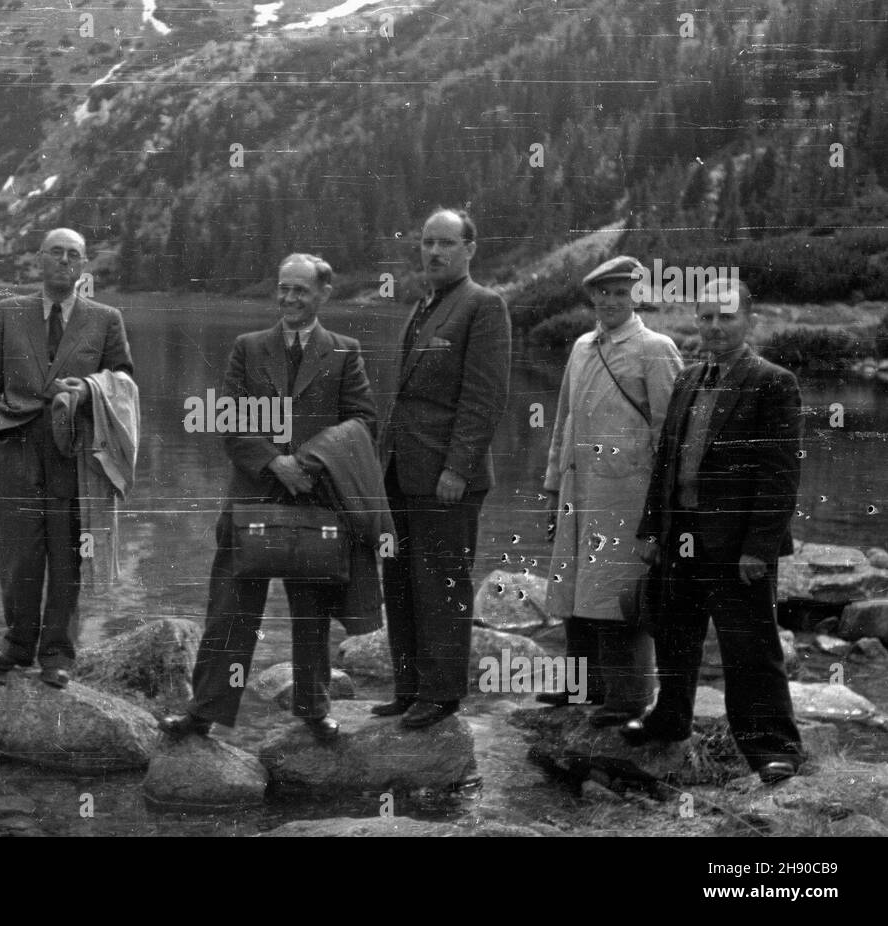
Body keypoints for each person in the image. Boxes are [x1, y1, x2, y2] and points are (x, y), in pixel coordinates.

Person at [159, 254, 380, 742]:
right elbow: (229, 421)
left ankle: (314, 708)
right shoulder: (248, 348)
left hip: (316, 498)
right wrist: (274, 462)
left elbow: (363, 421)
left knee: (312, 612)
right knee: (229, 611)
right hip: (252, 499)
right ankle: (204, 710)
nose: (289, 298)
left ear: (324, 293)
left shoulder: (345, 352)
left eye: (301, 290)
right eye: (283, 288)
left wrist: (312, 462)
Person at [622, 279, 804, 785]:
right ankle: (670, 717)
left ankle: (773, 747)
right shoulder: (688, 379)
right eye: (706, 317)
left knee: (750, 647)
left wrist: (759, 549)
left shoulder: (773, 382)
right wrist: (649, 530)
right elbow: (666, 462)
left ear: (749, 320)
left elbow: (780, 476)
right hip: (680, 533)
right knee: (673, 631)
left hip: (736, 545)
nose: (716, 327)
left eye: (726, 317)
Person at [0, 228, 133, 689]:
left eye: (74, 255)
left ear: (83, 266)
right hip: (17, 449)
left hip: (75, 454)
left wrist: (87, 390)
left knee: (67, 554)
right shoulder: (9, 312)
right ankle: (17, 644)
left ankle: (58, 653)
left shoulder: (105, 319)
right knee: (17, 551)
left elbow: (124, 381)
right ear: (38, 260)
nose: (65, 261)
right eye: (56, 253)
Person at [375, 208, 511, 728]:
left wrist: (457, 468)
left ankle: (442, 693)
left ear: (470, 249)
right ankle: (408, 688)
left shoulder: (483, 306)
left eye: (446, 243)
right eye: (428, 242)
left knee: (441, 581)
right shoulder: (425, 305)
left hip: (446, 478)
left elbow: (484, 397)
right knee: (402, 580)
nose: (434, 252)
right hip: (402, 471)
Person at [537, 256, 683, 726]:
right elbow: (563, 421)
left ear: (637, 295)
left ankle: (629, 698)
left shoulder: (655, 349)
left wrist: (663, 511)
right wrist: (552, 484)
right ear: (592, 298)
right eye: (603, 294)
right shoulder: (582, 347)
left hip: (628, 497)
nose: (611, 301)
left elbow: (672, 434)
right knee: (573, 588)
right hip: (579, 492)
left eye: (621, 293)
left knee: (620, 595)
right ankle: (584, 687)